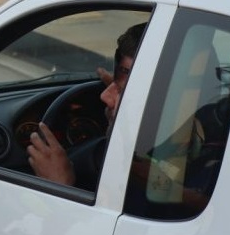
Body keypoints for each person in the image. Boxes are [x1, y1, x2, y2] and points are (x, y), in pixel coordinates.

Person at [28, 22, 145, 187]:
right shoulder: (168, 158)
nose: (105, 96)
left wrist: (60, 185)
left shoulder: (152, 186)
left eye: (128, 90)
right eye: (122, 74)